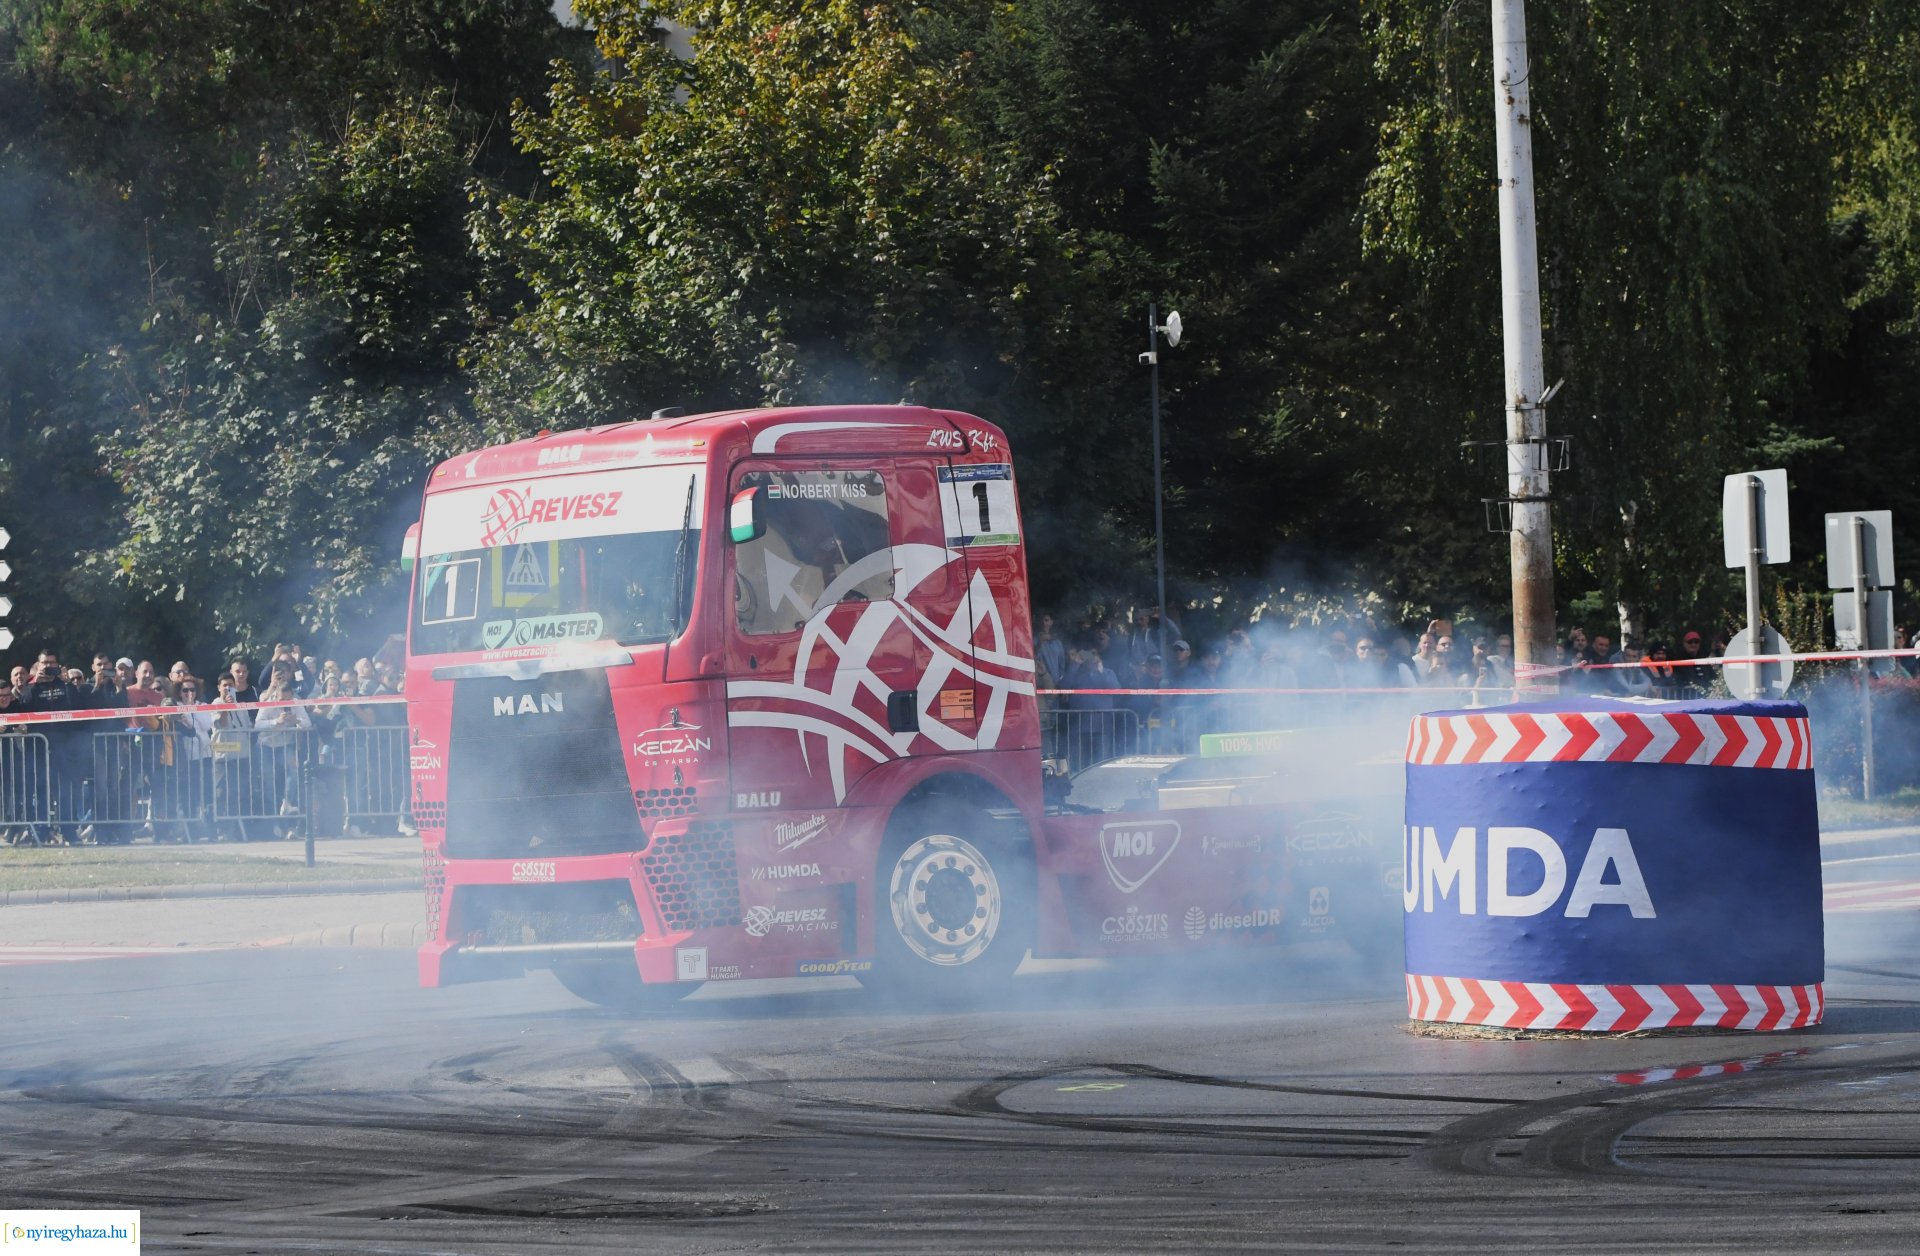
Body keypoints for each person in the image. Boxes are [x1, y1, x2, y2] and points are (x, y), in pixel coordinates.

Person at [254, 663, 311, 838]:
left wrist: (296, 721)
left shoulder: (295, 703)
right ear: (276, 696)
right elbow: (257, 725)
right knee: (269, 784)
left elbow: (307, 723)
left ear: (291, 696)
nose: (284, 704)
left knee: (294, 771)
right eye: (281, 700)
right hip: (266, 747)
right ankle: (274, 823)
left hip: (285, 746)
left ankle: (287, 803)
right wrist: (276, 722)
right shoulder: (268, 703)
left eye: (287, 699)